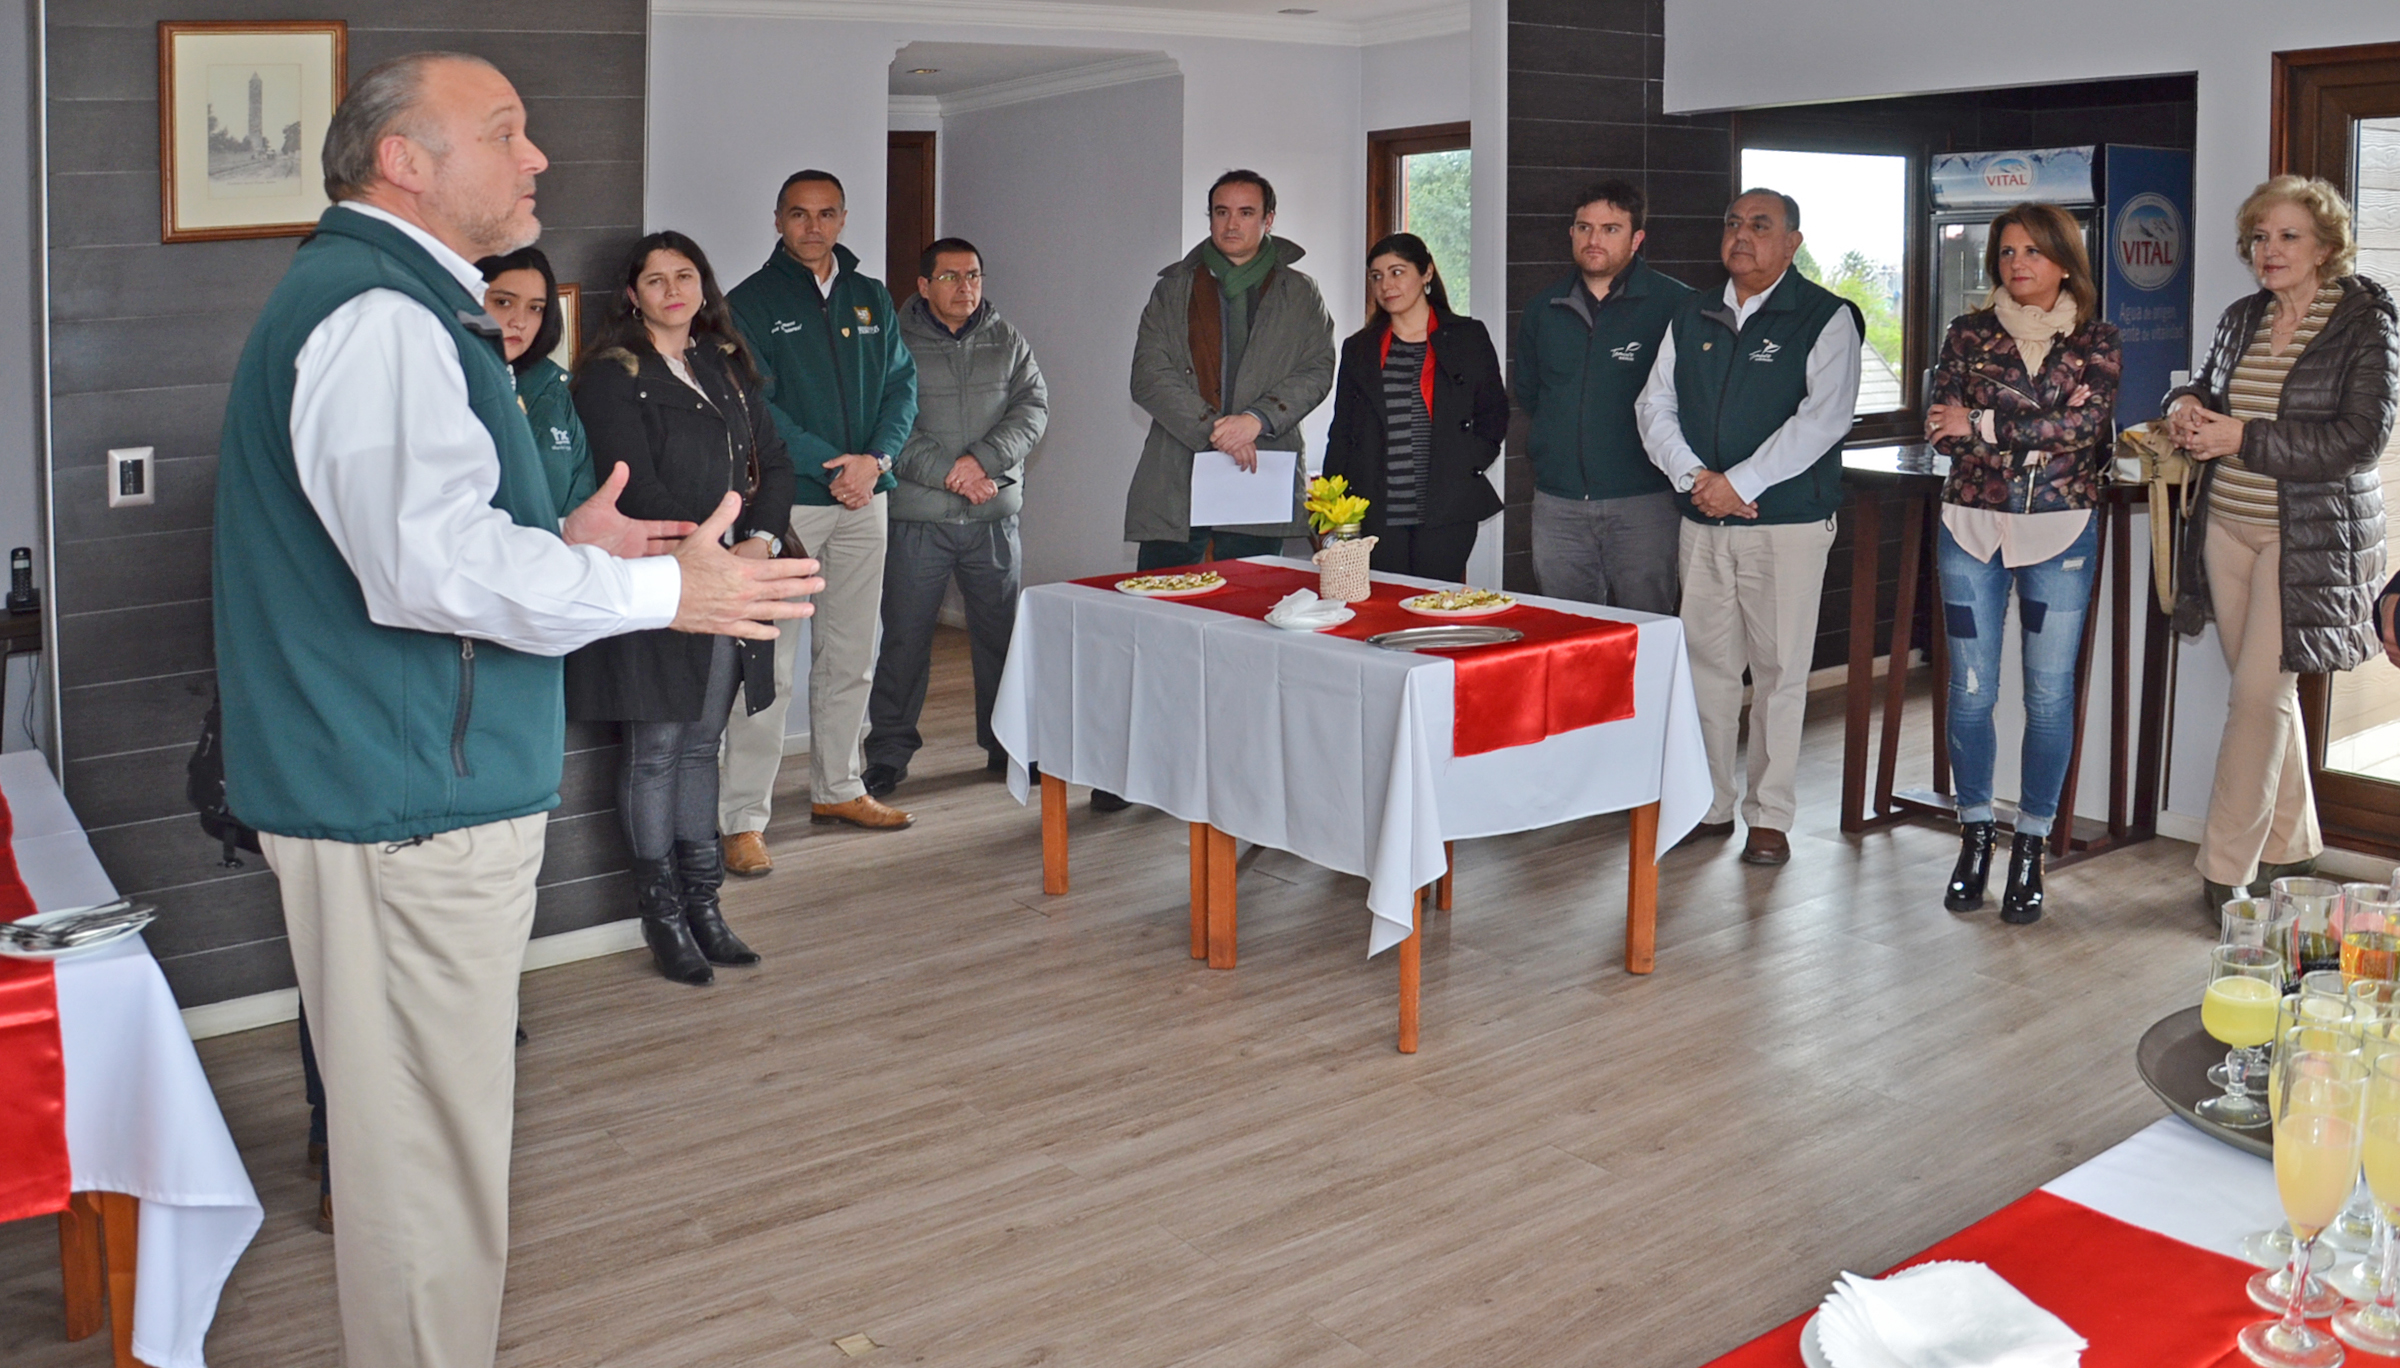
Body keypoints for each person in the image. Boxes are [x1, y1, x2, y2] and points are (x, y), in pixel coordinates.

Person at [211, 52, 819, 1368]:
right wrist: (662, 589)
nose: (537, 156)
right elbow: (427, 568)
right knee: (426, 1170)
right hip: (405, 806)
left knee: (426, 1154)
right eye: (503, 131)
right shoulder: (381, 317)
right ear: (404, 162)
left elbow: (433, 536)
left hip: (402, 790)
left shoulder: (393, 303)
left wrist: (562, 539)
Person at [568, 232, 796, 983]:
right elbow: (631, 484)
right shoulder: (611, 374)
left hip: (729, 583)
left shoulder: (723, 365)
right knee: (657, 750)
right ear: (631, 295)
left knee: (703, 747)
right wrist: (707, 556)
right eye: (656, 279)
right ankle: (662, 919)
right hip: (656, 586)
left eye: (685, 275)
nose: (673, 290)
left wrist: (759, 541)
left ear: (704, 286)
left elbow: (776, 463)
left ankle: (705, 907)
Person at [2166, 174, 2397, 913]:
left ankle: (2223, 870)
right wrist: (2186, 406)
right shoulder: (2243, 318)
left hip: (2308, 542)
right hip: (2225, 528)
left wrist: (2245, 438)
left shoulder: (2366, 323)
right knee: (2267, 700)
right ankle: (2292, 847)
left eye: (2289, 236)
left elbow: (2360, 440)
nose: (2270, 250)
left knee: (2258, 697)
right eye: (2260, 237)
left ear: (2326, 247)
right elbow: (2209, 388)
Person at [1636, 188, 1864, 867]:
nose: (1742, 235)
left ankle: (1769, 817)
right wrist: (1696, 479)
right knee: (1705, 669)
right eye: (1733, 222)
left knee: (1779, 672)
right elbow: (1654, 405)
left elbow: (1824, 420)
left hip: (1785, 525)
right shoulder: (1692, 311)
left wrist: (1741, 483)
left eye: (1760, 225)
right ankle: (1709, 804)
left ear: (1793, 242)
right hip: (1702, 520)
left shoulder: (1825, 316)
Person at [1923, 202, 2122, 924]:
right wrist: (2027, 434)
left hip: (2060, 532)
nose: (2018, 264)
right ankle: (1976, 835)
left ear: (2065, 261)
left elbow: (2082, 428)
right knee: (1972, 691)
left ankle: (2031, 845)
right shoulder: (1967, 333)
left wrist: (1981, 422)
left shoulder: (2097, 339)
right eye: (2007, 252)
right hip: (1970, 528)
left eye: (2033, 251)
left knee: (2048, 695)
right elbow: (1939, 430)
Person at [720, 169, 921, 870]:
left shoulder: (870, 297)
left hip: (867, 497)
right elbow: (755, 404)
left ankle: (839, 787)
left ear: (843, 219)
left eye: (827, 213)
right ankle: (742, 817)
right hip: (791, 502)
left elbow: (902, 386)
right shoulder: (748, 303)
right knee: (769, 665)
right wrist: (834, 464)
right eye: (799, 214)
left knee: (852, 653)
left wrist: (876, 460)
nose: (813, 226)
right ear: (778, 220)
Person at [1114, 169, 1333, 812]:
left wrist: (1257, 420)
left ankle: (1243, 767)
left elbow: (1318, 369)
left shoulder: (1299, 291)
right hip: (1178, 470)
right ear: (1208, 217)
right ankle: (1143, 765)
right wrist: (1217, 429)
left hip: (1257, 475)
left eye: (1245, 212)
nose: (1231, 223)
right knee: (1158, 622)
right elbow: (1148, 374)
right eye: (1220, 211)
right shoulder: (1174, 287)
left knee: (1253, 624)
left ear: (1269, 219)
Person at [863, 238, 1049, 796]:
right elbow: (889, 423)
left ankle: (1006, 747)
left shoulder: (1007, 339)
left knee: (1001, 640)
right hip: (918, 521)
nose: (964, 287)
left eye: (973, 275)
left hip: (993, 519)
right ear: (923, 286)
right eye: (949, 276)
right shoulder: (893, 342)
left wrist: (982, 462)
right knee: (905, 642)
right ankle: (888, 756)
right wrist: (952, 473)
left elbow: (1033, 410)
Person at [1514, 180, 1694, 611]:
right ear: (1571, 233)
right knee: (1567, 629)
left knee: (1647, 627)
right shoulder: (1543, 308)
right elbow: (1530, 393)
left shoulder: (1676, 305)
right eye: (1584, 228)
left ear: (1637, 238)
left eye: (1610, 229)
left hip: (1645, 502)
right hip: (1558, 503)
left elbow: (1693, 400)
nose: (1594, 239)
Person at [1321, 231, 1508, 581]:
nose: (1386, 285)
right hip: (1377, 510)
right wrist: (1334, 507)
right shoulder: (1359, 348)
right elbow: (1342, 430)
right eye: (1376, 276)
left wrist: (1466, 463)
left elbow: (1493, 413)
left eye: (1397, 272)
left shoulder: (1467, 337)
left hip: (1446, 508)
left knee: (1435, 601)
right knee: (1386, 602)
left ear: (1426, 273)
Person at [478, 245, 593, 515]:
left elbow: (582, 492)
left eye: (535, 308)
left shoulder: (553, 386)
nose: (520, 321)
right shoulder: (447, 382)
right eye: (503, 302)